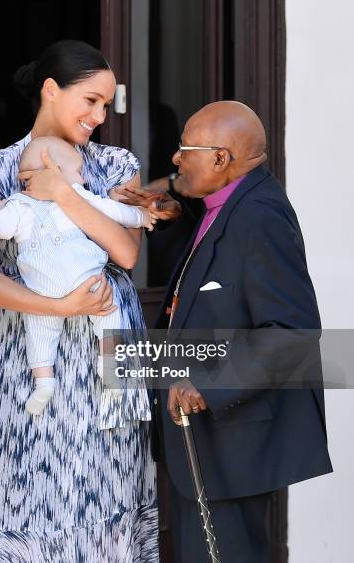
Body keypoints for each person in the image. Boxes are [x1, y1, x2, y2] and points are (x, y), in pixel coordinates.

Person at [0, 40, 178, 562]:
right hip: (30, 358)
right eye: (89, 100)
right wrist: (59, 308)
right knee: (21, 492)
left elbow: (126, 252)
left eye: (104, 105)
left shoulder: (114, 164)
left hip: (107, 357)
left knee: (103, 495)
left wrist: (64, 193)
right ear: (50, 90)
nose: (98, 116)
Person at [121, 101, 333, 562]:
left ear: (221, 158)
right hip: (202, 438)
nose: (175, 159)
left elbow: (293, 332)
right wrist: (173, 216)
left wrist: (210, 384)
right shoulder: (223, 205)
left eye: (185, 149)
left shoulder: (260, 216)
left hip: (232, 440)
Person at [0, 135, 158, 415]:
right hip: (84, 277)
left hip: (42, 288)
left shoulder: (18, 205)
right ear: (54, 169)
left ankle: (43, 383)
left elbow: (0, 229)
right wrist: (142, 217)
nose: (84, 179)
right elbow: (115, 211)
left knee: (39, 334)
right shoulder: (79, 196)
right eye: (78, 172)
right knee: (108, 310)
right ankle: (110, 366)